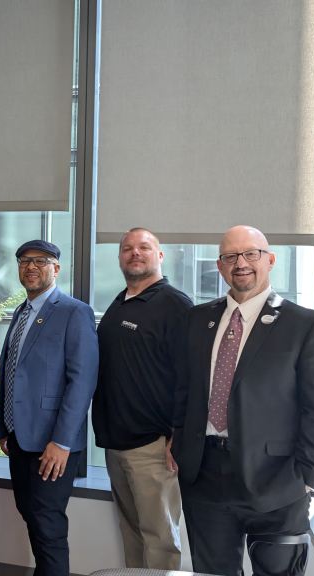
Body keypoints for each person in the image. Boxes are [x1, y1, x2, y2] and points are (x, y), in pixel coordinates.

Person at [172, 225, 314, 576]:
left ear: (270, 260)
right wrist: (176, 438)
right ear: (219, 266)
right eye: (230, 256)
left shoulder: (306, 325)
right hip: (203, 478)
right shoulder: (196, 319)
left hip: (279, 483)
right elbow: (183, 387)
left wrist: (309, 477)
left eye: (251, 254)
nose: (241, 263)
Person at [0, 240, 98, 576]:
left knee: (48, 525)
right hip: (20, 439)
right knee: (32, 515)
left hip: (53, 444)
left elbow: (81, 382)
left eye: (41, 261)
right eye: (25, 261)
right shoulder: (22, 312)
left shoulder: (74, 311)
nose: (31, 267)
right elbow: (12, 370)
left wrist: (63, 441)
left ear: (57, 268)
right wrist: (3, 428)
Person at [92, 228, 192, 569]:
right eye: (127, 248)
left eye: (144, 247)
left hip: (152, 446)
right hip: (116, 443)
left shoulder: (175, 305)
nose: (135, 253)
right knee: (132, 535)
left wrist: (177, 435)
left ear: (160, 255)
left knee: (160, 541)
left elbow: (190, 377)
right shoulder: (119, 303)